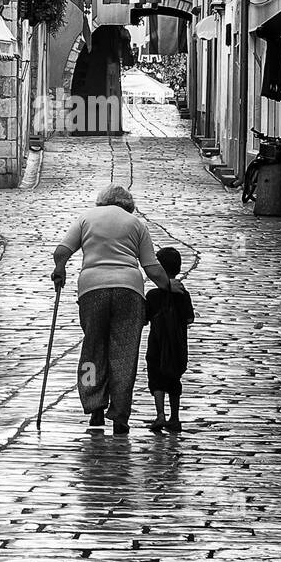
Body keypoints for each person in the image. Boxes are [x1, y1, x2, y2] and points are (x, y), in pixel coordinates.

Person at [51, 185, 184, 435]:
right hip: (129, 291)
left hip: (92, 290)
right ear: (127, 205)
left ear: (102, 202)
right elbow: (151, 267)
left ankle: (94, 408)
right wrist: (168, 285)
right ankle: (120, 415)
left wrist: (60, 269)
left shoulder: (86, 218)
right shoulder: (136, 224)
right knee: (124, 355)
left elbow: (61, 251)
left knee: (92, 350)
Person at [143, 247, 194, 432]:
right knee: (174, 380)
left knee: (156, 379)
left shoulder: (152, 295)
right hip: (177, 346)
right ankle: (175, 417)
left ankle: (160, 415)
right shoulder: (183, 294)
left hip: (156, 344)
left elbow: (144, 319)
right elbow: (189, 318)